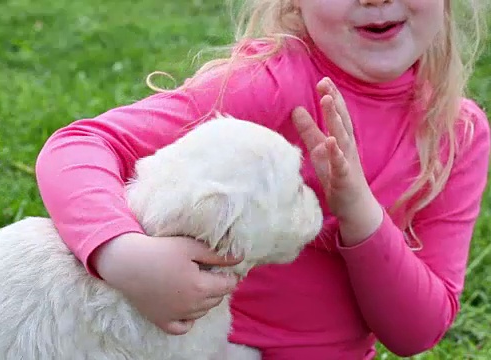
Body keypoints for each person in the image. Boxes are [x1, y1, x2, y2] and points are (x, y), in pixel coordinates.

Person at [34, 0, 490, 358]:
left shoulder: (454, 133)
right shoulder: (266, 85)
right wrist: (124, 256)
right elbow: (80, 144)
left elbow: (416, 331)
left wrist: (358, 209)